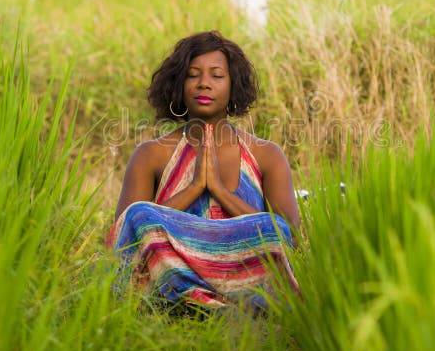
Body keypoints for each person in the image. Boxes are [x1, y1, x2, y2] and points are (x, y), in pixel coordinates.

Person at [106, 31, 301, 309]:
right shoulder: (151, 154)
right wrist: (195, 188)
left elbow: (289, 237)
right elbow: (125, 237)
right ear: (178, 85)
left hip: (243, 275)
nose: (204, 84)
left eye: (217, 76)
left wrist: (221, 192)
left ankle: (227, 303)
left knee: (275, 226)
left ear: (233, 86)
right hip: (172, 273)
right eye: (193, 75)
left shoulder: (265, 154)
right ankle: (190, 299)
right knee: (137, 215)